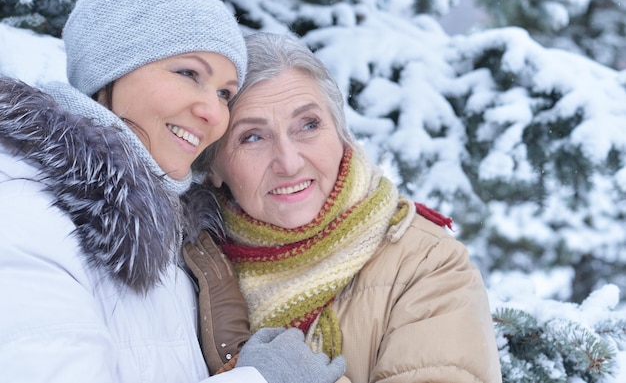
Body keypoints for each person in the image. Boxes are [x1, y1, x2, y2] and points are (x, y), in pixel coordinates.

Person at [0, 0, 344, 383]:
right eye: (188, 74)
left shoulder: (178, 240)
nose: (214, 113)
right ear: (109, 70)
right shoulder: (23, 215)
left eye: (224, 93)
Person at [194, 31, 503, 382]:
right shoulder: (184, 266)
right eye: (252, 136)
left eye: (308, 125)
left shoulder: (427, 262)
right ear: (214, 166)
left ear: (341, 134)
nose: (289, 162)